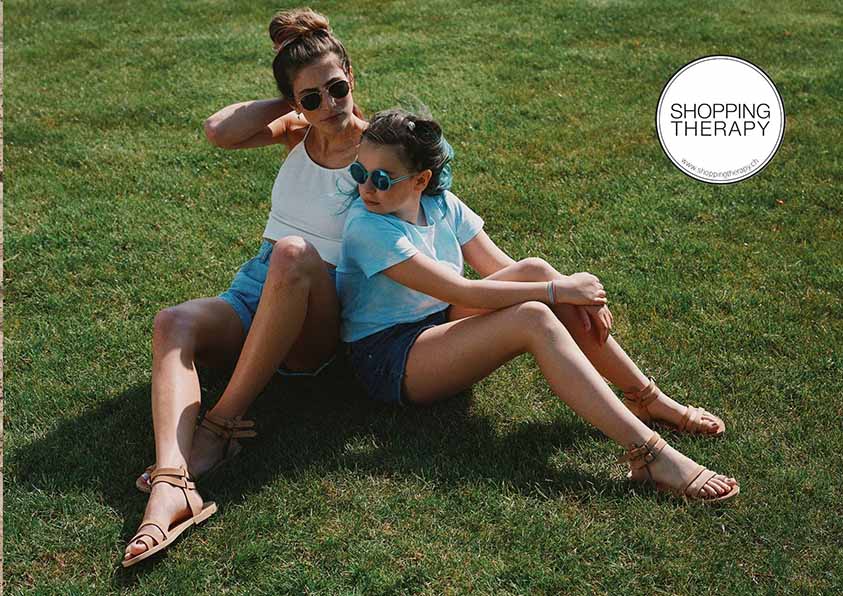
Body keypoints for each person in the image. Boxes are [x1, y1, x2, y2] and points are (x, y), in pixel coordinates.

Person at [336, 108, 740, 502]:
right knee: (534, 315)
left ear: (421, 180)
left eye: (382, 178)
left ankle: (646, 398)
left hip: (436, 322)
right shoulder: (366, 227)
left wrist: (562, 289)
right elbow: (464, 292)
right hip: (389, 356)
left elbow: (508, 271)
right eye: (360, 173)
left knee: (536, 269)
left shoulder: (440, 204)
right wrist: (561, 291)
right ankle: (649, 454)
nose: (366, 187)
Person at [123, 8, 368, 566]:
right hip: (257, 290)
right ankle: (172, 482)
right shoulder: (296, 131)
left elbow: (437, 225)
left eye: (336, 88)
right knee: (172, 321)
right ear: (295, 102)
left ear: (351, 76)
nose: (330, 105)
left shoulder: (378, 150)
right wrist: (292, 102)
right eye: (313, 98)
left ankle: (220, 425)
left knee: (293, 253)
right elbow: (218, 130)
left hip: (316, 314)